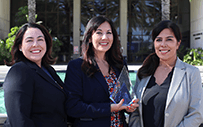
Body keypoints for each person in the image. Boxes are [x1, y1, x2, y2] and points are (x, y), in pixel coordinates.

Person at [64, 15, 139, 127]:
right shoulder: (77, 66)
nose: (105, 37)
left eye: (109, 32)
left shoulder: (119, 64)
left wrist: (129, 107)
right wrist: (109, 108)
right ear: (89, 37)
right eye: (99, 33)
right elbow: (72, 107)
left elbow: (124, 98)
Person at [128, 20, 203, 127]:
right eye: (159, 40)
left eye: (169, 39)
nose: (163, 44)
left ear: (178, 43)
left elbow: (196, 114)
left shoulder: (191, 73)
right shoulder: (144, 72)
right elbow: (135, 110)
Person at [3, 23, 68, 127]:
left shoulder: (48, 70)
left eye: (40, 39)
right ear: (20, 46)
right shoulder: (19, 72)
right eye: (29, 40)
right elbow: (19, 120)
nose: (35, 44)